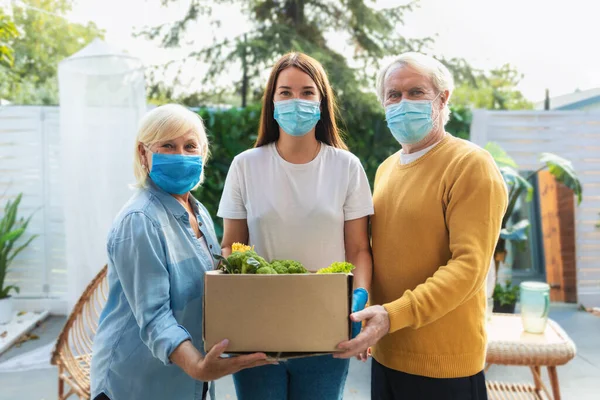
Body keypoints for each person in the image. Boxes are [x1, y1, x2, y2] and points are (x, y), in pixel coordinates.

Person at [335, 52, 508, 399]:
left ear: (443, 99)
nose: (403, 103)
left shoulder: (470, 165)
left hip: (443, 367)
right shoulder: (385, 170)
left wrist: (392, 315)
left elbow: (469, 268)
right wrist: (370, 317)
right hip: (387, 354)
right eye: (393, 95)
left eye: (416, 92)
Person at [217, 52, 374, 400]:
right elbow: (230, 246)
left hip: (326, 327)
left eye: (306, 92)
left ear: (321, 101)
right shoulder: (245, 166)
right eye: (285, 92)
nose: (296, 101)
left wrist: (359, 302)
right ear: (272, 101)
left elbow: (359, 249)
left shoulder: (346, 167)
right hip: (257, 327)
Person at [90, 104, 271, 400]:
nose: (181, 156)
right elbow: (155, 316)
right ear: (143, 154)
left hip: (184, 383)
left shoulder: (196, 212)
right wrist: (199, 367)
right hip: (137, 384)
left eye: (190, 146)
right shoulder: (140, 221)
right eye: (168, 146)